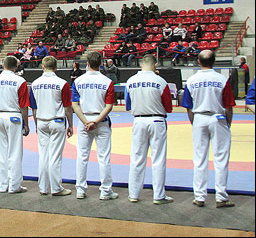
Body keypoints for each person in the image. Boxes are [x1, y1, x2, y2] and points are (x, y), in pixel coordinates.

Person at [181, 50, 235, 208]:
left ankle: (199, 196)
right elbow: (228, 106)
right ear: (214, 61)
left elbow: (188, 107)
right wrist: (227, 124)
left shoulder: (191, 80)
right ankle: (221, 197)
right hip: (218, 117)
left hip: (199, 118)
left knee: (199, 159)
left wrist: (194, 122)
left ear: (198, 61)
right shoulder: (222, 79)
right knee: (221, 159)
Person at [125, 55, 174, 204]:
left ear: (140, 65)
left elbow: (128, 105)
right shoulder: (160, 81)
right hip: (157, 120)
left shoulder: (130, 81)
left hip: (138, 120)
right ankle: (159, 195)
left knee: (137, 158)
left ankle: (133, 193)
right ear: (155, 65)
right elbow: (169, 107)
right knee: (158, 159)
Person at [71, 51, 118, 200]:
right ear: (101, 64)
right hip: (101, 121)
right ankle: (105, 190)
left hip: (84, 120)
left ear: (87, 64)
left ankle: (80, 189)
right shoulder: (107, 81)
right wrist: (95, 122)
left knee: (82, 156)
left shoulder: (78, 81)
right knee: (104, 157)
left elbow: (75, 104)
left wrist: (86, 122)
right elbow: (109, 106)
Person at [29, 56, 73, 196]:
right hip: (57, 121)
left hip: (41, 120)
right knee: (55, 156)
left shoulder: (35, 84)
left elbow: (34, 108)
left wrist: (37, 124)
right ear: (56, 67)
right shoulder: (62, 83)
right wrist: (71, 124)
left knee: (43, 155)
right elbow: (67, 107)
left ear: (42, 66)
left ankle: (43, 187)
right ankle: (56, 188)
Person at [0, 56, 30, 194]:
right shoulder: (20, 81)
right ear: (16, 67)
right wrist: (26, 123)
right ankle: (14, 185)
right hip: (14, 115)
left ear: (2, 65)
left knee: (0, 151)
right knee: (15, 151)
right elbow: (24, 105)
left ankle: (2, 184)